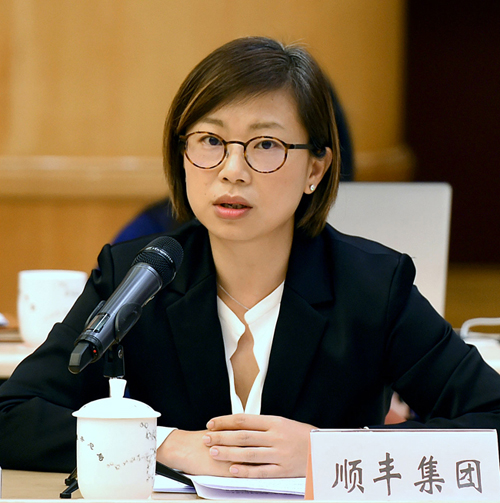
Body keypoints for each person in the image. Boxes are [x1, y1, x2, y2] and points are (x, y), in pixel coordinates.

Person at [1, 36, 500, 478]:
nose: (232, 170)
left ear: (316, 169)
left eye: (265, 144)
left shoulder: (371, 286)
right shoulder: (138, 275)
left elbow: (491, 420)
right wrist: (164, 444)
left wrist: (330, 452)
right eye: (210, 141)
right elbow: (13, 413)